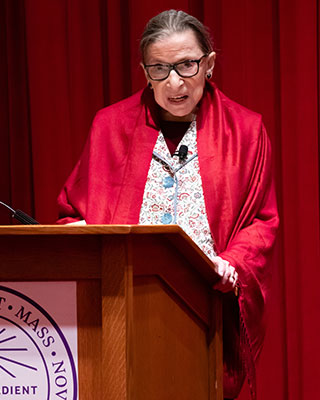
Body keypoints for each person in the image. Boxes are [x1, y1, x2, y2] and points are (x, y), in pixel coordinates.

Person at [57, 9, 279, 400]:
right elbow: (73, 212)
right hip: (122, 304)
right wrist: (78, 233)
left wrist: (234, 263)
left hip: (204, 306)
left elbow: (261, 221)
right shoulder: (109, 126)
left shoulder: (246, 130)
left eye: (186, 65)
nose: (174, 82)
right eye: (159, 68)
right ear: (145, 72)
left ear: (209, 64)